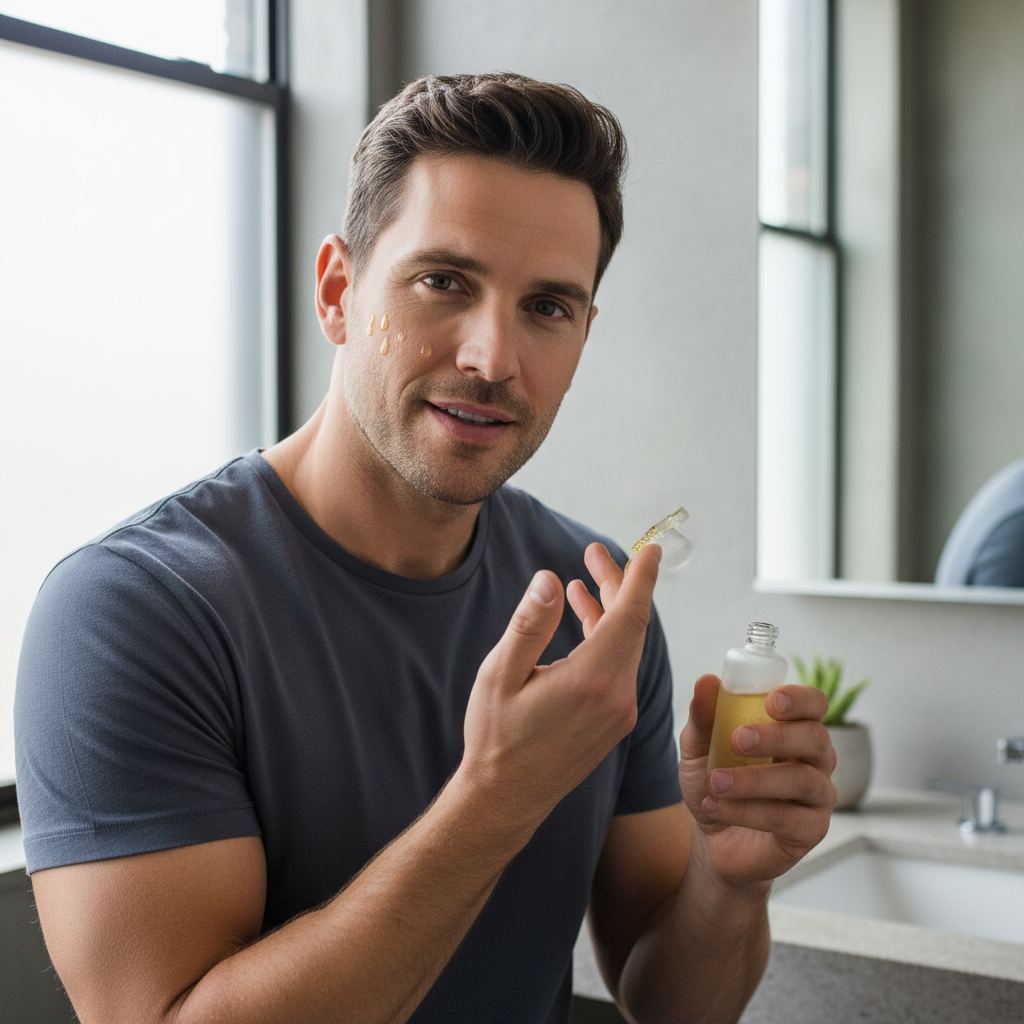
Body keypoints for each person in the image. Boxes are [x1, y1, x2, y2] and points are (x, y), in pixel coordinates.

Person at [15, 73, 836, 1024]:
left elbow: (673, 1005)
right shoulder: (131, 613)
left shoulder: (594, 602)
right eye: (444, 281)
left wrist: (730, 881)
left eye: (548, 307)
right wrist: (494, 800)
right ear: (336, 291)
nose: (493, 358)